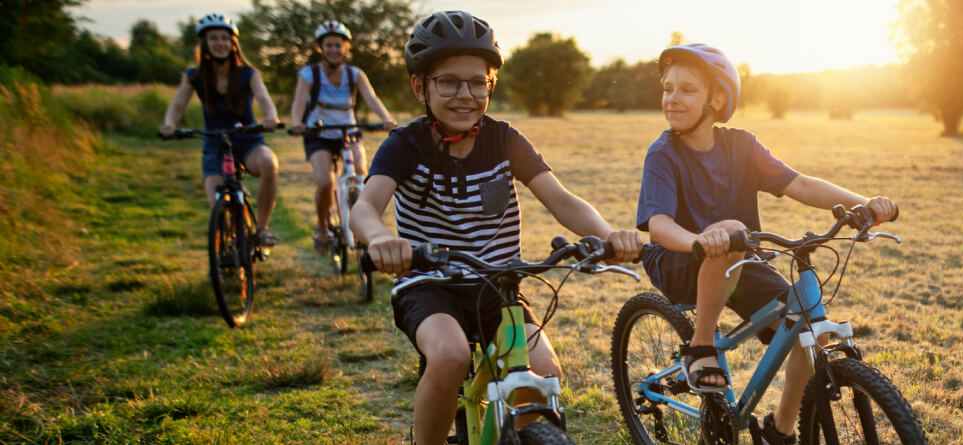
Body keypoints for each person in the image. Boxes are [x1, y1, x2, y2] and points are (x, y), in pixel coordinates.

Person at [349, 11, 643, 445]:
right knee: (449, 356)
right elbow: (365, 208)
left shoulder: (504, 139)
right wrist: (380, 239)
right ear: (420, 87)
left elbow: (561, 199)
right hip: (429, 282)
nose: (464, 94)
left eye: (477, 82)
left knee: (545, 372)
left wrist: (606, 234)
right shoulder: (405, 144)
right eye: (448, 82)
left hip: (498, 284)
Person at [636, 43, 898, 444]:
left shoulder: (741, 146)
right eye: (667, 88)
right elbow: (658, 225)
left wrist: (864, 204)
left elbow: (801, 184)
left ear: (717, 98)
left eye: (686, 89)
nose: (672, 98)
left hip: (738, 259)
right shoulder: (663, 154)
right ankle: (700, 346)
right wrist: (699, 242)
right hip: (678, 260)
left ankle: (780, 430)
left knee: (811, 331)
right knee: (731, 231)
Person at [160, 13, 282, 246]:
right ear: (204, 43)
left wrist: (271, 117)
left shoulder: (249, 73)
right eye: (213, 38)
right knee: (218, 204)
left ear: (233, 43)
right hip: (214, 144)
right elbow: (178, 104)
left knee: (269, 163)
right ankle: (227, 248)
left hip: (248, 140)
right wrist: (169, 124)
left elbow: (264, 99)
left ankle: (262, 229)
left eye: (225, 38)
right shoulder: (193, 76)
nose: (220, 43)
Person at [289, 20, 397, 253]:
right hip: (318, 134)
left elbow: (371, 98)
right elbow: (298, 103)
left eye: (338, 45)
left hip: (348, 132)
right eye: (329, 45)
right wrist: (297, 122)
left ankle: (363, 223)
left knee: (362, 175)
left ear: (346, 48)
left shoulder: (355, 74)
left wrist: (386, 118)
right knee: (325, 182)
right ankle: (322, 228)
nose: (334, 50)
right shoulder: (309, 74)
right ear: (320, 48)